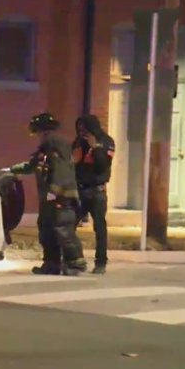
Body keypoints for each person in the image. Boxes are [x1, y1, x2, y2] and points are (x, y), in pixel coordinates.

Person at [9, 113, 87, 276]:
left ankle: (76, 264)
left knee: (63, 228)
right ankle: (51, 264)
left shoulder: (55, 144)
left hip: (61, 196)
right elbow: (34, 165)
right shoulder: (46, 148)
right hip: (49, 198)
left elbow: (61, 169)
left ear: (43, 131)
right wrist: (11, 170)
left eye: (37, 133)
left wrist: (54, 192)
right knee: (46, 229)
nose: (37, 137)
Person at [73, 114, 114, 274]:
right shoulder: (78, 142)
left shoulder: (106, 141)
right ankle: (75, 259)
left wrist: (95, 147)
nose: (82, 132)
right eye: (79, 129)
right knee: (69, 225)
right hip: (80, 190)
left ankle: (101, 262)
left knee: (100, 228)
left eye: (84, 129)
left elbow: (103, 165)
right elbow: (74, 163)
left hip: (97, 191)